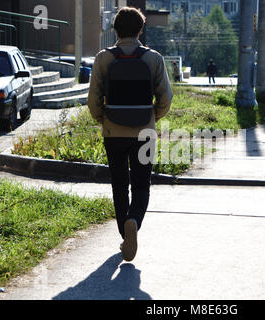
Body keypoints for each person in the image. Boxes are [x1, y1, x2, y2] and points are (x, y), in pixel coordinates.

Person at [87, 7, 173, 262]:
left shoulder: (104, 58)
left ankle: (125, 234)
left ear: (115, 30)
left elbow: (93, 99)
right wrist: (152, 117)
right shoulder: (153, 58)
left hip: (113, 132)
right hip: (144, 132)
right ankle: (133, 221)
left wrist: (103, 118)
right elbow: (166, 97)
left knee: (119, 184)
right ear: (140, 29)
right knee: (141, 184)